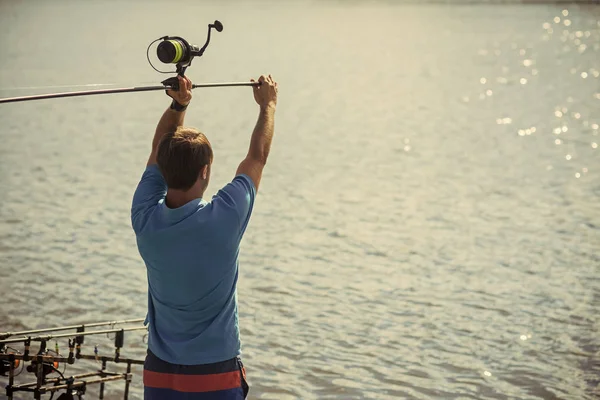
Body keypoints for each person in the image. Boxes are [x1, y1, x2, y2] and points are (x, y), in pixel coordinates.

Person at [131, 74, 278, 399]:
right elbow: (257, 158)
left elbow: (159, 147)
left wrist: (178, 104)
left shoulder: (144, 217)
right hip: (216, 376)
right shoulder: (224, 217)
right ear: (206, 171)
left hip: (159, 377)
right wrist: (267, 106)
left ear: (163, 171)